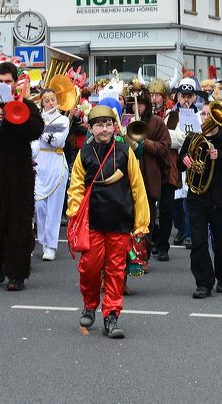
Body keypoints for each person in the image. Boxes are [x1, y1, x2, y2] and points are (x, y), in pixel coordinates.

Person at [67, 105, 149, 338]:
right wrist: (74, 213)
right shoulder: (84, 154)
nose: (104, 129)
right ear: (90, 129)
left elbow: (138, 187)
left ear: (115, 126)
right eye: (99, 125)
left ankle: (111, 316)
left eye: (108, 124)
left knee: (116, 271)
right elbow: (76, 187)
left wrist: (141, 222)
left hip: (120, 221)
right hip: (92, 222)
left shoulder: (125, 151)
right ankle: (90, 304)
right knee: (89, 268)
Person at [0, 62, 45, 290]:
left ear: (15, 83)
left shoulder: (26, 104)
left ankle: (17, 273)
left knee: (18, 222)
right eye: (0, 81)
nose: (4, 85)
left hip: (18, 174)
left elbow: (37, 129)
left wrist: (16, 117)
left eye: (8, 81)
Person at [178, 101, 222, 298]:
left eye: (208, 114)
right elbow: (180, 162)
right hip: (197, 197)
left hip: (220, 199)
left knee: (221, 242)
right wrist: (184, 160)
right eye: (203, 114)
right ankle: (203, 283)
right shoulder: (193, 138)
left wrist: (219, 156)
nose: (205, 118)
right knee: (198, 242)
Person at [124, 88, 171, 261]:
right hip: (128, 175)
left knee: (148, 217)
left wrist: (145, 142)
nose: (138, 107)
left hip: (148, 175)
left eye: (142, 104)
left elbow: (165, 147)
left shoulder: (157, 122)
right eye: (136, 104)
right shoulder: (125, 120)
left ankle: (144, 254)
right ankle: (130, 254)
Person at [157, 77, 201, 255]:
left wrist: (176, 137)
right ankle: (181, 229)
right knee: (175, 200)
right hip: (174, 163)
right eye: (183, 96)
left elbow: (191, 138)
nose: (186, 100)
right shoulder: (170, 115)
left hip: (194, 161)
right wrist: (178, 137)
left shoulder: (200, 114)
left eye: (189, 96)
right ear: (178, 97)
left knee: (191, 199)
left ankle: (190, 232)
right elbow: (167, 139)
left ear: (194, 98)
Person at [33, 89, 70, 261]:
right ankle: (43, 241)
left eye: (53, 99)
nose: (50, 103)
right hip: (41, 163)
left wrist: (41, 128)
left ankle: (51, 246)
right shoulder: (38, 119)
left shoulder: (62, 119)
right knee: (40, 206)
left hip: (56, 162)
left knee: (54, 208)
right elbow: (33, 142)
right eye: (46, 100)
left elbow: (57, 140)